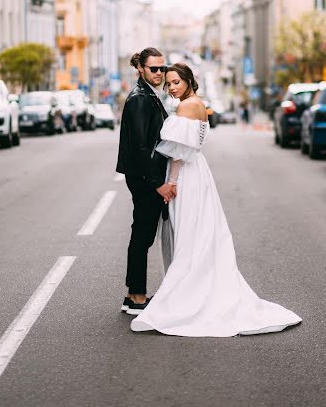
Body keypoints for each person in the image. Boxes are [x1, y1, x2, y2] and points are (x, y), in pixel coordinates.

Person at [130, 63, 301, 336]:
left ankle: (188, 295)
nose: (172, 87)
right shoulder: (197, 103)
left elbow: (179, 152)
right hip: (198, 172)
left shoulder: (186, 107)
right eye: (169, 83)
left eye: (176, 82)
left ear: (188, 81)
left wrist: (171, 183)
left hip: (186, 175)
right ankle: (197, 287)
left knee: (189, 234)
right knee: (199, 233)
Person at [116, 48, 176, 316]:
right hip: (143, 178)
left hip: (143, 175)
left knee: (141, 234)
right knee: (143, 235)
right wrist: (157, 184)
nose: (160, 73)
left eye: (163, 68)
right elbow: (141, 147)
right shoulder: (140, 98)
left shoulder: (148, 95)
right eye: (154, 69)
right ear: (140, 69)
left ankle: (133, 294)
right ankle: (137, 297)